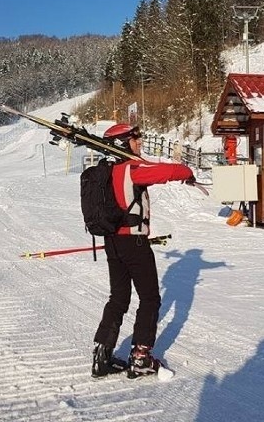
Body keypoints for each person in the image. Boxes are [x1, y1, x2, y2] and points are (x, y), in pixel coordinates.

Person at [92, 123, 195, 379]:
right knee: (149, 298)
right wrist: (187, 170)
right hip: (134, 243)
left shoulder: (108, 170)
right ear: (123, 144)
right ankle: (141, 357)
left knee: (118, 298)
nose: (139, 142)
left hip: (112, 241)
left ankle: (102, 356)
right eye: (135, 139)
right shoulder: (131, 169)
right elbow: (169, 171)